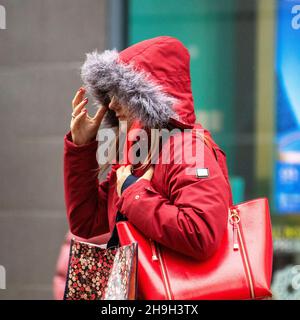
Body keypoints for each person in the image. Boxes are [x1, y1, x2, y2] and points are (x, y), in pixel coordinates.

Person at [63, 36, 233, 269]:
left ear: (145, 98)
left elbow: (201, 234)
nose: (111, 105)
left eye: (121, 94)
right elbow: (87, 221)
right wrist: (82, 147)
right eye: (110, 95)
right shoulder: (138, 150)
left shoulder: (188, 147)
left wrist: (134, 193)